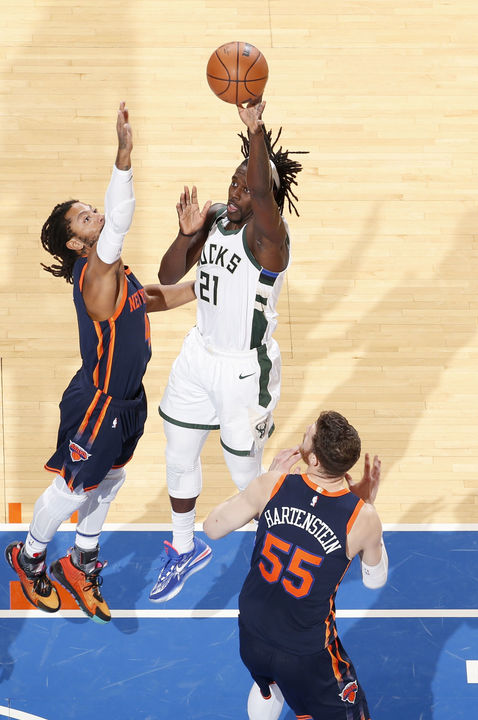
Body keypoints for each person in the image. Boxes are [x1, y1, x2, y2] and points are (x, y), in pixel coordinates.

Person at [5, 101, 196, 623]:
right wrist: (124, 158)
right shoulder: (93, 275)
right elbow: (119, 223)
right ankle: (30, 557)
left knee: (110, 482)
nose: (96, 214)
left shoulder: (116, 275)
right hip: (98, 402)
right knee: (70, 490)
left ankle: (81, 560)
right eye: (85, 215)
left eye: (94, 207)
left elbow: (151, 297)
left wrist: (208, 283)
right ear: (75, 240)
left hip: (128, 401)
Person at [150, 98, 307, 602]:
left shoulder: (271, 238)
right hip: (200, 356)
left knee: (246, 475)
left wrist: (255, 127)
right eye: (233, 182)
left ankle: (279, 547)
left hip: (245, 370)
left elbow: (263, 188)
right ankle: (183, 548)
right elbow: (168, 275)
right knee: (178, 455)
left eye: (246, 186)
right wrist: (186, 233)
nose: (236, 191)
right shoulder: (217, 218)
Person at [204, 411, 386, 720]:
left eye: (306, 435)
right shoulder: (362, 518)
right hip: (307, 653)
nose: (300, 437)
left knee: (268, 688)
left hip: (252, 635)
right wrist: (368, 506)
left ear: (314, 460)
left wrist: (260, 488)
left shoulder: (271, 485)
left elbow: (212, 528)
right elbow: (375, 580)